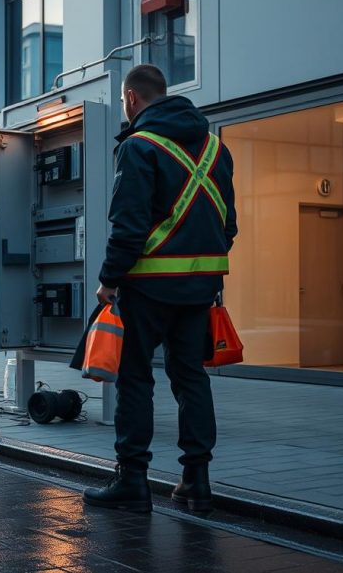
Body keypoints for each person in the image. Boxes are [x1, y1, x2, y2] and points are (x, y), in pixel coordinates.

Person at [83, 64, 237, 513]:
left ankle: (132, 480)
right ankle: (196, 481)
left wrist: (109, 280)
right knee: (191, 377)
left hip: (146, 288)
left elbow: (127, 227)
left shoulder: (139, 146)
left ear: (131, 98)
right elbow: (229, 226)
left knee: (136, 380)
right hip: (199, 290)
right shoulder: (216, 149)